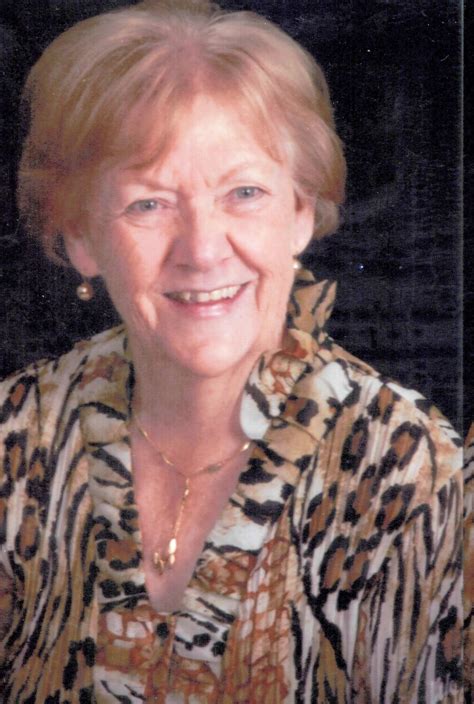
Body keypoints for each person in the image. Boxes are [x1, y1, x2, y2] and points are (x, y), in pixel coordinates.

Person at [0, 0, 463, 701]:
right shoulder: (16, 433)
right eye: (149, 204)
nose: (203, 249)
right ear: (81, 237)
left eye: (244, 193)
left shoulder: (414, 474)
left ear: (300, 213)